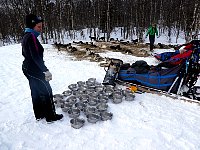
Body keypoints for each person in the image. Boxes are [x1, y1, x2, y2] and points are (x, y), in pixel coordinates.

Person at [22, 14, 63, 123]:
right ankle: (51, 116)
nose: (41, 29)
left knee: (36, 91)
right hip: (34, 70)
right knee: (47, 90)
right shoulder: (31, 37)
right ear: (32, 26)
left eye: (41, 26)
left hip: (28, 68)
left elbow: (28, 54)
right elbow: (35, 56)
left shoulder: (27, 35)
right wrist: (45, 70)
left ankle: (39, 114)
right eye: (39, 27)